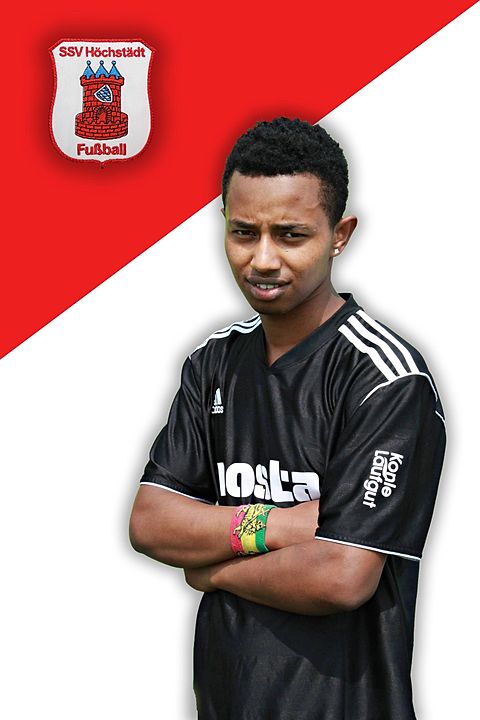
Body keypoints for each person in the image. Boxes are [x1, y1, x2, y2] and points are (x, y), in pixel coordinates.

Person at [129, 117, 446, 720]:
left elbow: (341, 577)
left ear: (339, 235)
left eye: (291, 235)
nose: (263, 259)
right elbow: (151, 521)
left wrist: (212, 571)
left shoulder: (387, 379)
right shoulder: (212, 364)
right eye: (243, 232)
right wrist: (279, 524)